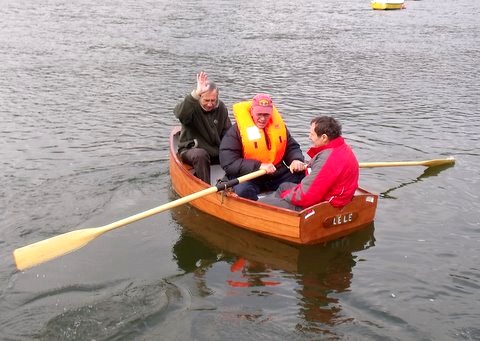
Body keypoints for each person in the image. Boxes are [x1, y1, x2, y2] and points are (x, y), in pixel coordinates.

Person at [259, 116, 359, 210]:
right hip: (334, 196)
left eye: (312, 134)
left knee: (261, 204)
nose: (309, 137)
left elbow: (307, 196)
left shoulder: (327, 158)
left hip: (324, 204)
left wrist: (286, 196)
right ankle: (278, 203)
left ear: (324, 137)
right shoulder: (343, 148)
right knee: (284, 186)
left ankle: (274, 209)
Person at [219, 93, 305, 201]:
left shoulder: (279, 128)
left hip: (276, 173)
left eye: (266, 115)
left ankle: (289, 206)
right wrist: (259, 166)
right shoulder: (236, 132)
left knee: (304, 178)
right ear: (251, 112)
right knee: (243, 190)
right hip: (249, 176)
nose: (262, 119)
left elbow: (292, 147)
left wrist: (295, 159)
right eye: (259, 114)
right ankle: (260, 212)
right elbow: (228, 163)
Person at [174, 71, 232, 184]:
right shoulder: (192, 106)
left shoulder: (221, 108)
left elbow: (227, 132)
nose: (210, 104)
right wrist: (195, 93)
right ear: (200, 97)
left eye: (213, 101)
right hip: (191, 150)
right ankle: (205, 188)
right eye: (206, 100)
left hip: (215, 150)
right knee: (201, 155)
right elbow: (180, 114)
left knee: (233, 153)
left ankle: (228, 184)